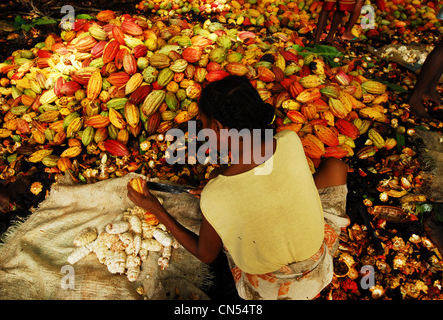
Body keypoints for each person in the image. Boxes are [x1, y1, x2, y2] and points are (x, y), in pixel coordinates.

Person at [127, 75, 350, 300]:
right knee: (334, 166)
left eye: (203, 124)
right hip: (319, 265)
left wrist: (156, 208)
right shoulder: (289, 139)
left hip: (268, 290)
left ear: (218, 126)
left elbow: (205, 254)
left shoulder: (216, 193)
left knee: (233, 229)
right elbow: (267, 178)